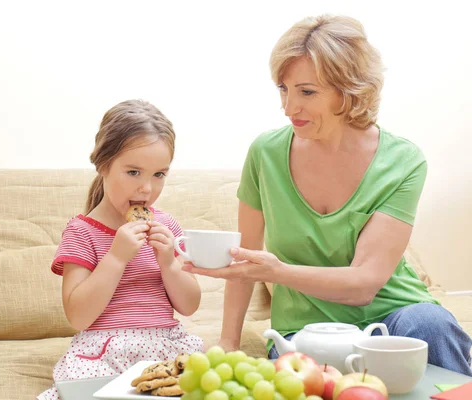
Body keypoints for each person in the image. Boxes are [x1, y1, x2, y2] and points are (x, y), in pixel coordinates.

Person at [182, 15, 472, 376]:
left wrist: (279, 272)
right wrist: (229, 341)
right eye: (283, 89)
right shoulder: (266, 153)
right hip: (303, 329)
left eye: (307, 92)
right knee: (304, 368)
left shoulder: (403, 161)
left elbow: (364, 283)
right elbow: (243, 262)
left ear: (350, 90)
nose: (289, 108)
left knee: (431, 326)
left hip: (395, 315)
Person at [38, 100, 203, 400]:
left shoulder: (167, 227)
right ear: (103, 164)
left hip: (166, 347)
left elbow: (190, 305)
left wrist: (169, 264)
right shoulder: (82, 232)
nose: (147, 189)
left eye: (159, 175)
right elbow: (78, 317)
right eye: (133, 172)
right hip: (103, 353)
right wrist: (116, 258)